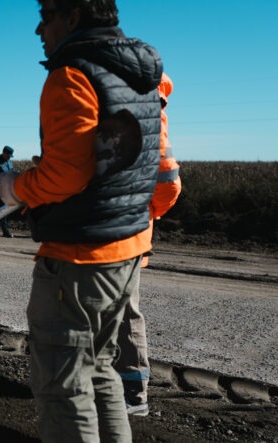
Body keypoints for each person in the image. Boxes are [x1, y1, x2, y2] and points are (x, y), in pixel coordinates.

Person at [0, 0, 163, 443]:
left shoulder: (72, 73)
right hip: (127, 248)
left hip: (79, 256)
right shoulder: (143, 77)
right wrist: (139, 222)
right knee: (103, 368)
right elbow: (162, 167)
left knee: (64, 389)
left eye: (46, 15)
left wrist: (13, 188)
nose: (38, 28)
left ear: (73, 16)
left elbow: (67, 174)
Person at [113, 72, 181, 417]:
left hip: (128, 235)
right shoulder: (133, 117)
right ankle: (115, 386)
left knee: (125, 315)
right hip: (115, 233)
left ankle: (134, 393)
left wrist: (144, 212)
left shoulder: (148, 119)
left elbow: (169, 182)